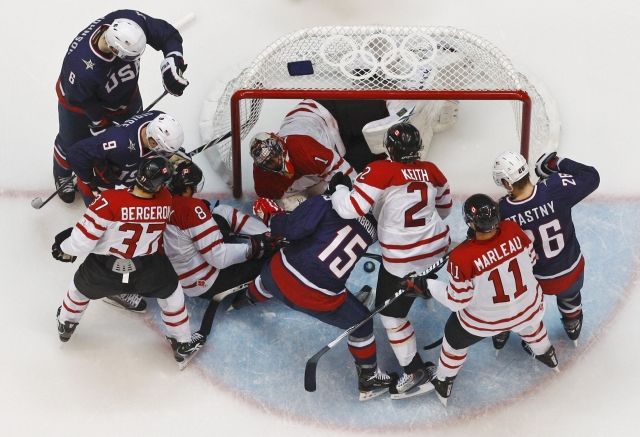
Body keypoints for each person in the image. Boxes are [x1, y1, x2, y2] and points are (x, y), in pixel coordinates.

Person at [330, 122, 452, 399]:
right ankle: (419, 289)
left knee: (390, 316)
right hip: (437, 250)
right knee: (420, 275)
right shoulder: (432, 170)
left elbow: (350, 209)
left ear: (389, 147)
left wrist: (338, 189)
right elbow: (444, 209)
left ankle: (415, 372)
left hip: (402, 261)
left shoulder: (381, 169)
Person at [235, 194, 396, 401]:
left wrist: (272, 216)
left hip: (277, 276)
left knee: (280, 271)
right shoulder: (376, 230)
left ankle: (247, 298)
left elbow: (290, 231)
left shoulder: (327, 201)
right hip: (319, 299)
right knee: (362, 323)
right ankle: (369, 378)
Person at [52, 156, 204, 370]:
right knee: (172, 294)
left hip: (105, 268)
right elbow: (144, 200)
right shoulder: (165, 201)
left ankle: (66, 324)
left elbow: (80, 243)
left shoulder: (109, 201)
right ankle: (181, 342)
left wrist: (63, 249)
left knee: (78, 290)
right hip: (147, 268)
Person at [407, 194, 559, 406]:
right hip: (531, 307)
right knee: (529, 319)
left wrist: (427, 285)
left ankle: (444, 380)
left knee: (453, 337)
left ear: (470, 222)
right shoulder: (513, 229)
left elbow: (456, 301)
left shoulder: (461, 258)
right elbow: (532, 259)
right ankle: (546, 353)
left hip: (485, 324)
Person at [53, 9, 189, 204]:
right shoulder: (80, 68)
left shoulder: (129, 22)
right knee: (71, 143)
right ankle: (62, 173)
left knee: (132, 139)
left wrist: (173, 60)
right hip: (78, 106)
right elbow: (84, 101)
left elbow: (167, 33)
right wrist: (101, 124)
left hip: (126, 97)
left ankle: (127, 169)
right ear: (115, 49)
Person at [491, 151, 600, 347]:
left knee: (511, 295)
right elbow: (592, 177)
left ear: (507, 183)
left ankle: (507, 329)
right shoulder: (556, 187)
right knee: (570, 297)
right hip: (571, 271)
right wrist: (556, 163)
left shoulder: (502, 212)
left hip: (534, 283)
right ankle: (572, 322)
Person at [163, 160, 275, 301]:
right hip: (207, 281)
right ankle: (248, 297)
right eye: (194, 187)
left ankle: (269, 233)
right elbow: (218, 258)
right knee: (272, 260)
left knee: (221, 212)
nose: (195, 191)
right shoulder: (189, 207)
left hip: (182, 273)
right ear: (186, 188)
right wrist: (253, 248)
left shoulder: (160, 199)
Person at [250, 100, 356, 211]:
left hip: (322, 111)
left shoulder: (302, 150)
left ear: (280, 141)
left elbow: (346, 172)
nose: (276, 161)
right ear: (262, 168)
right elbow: (273, 210)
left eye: (275, 152)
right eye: (269, 162)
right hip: (331, 148)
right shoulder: (265, 184)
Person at [65, 110, 184, 205]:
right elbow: (75, 154)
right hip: (104, 185)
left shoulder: (158, 117)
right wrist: (89, 180)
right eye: (164, 150)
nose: (166, 155)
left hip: (128, 179)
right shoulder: (119, 143)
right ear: (152, 141)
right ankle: (82, 186)